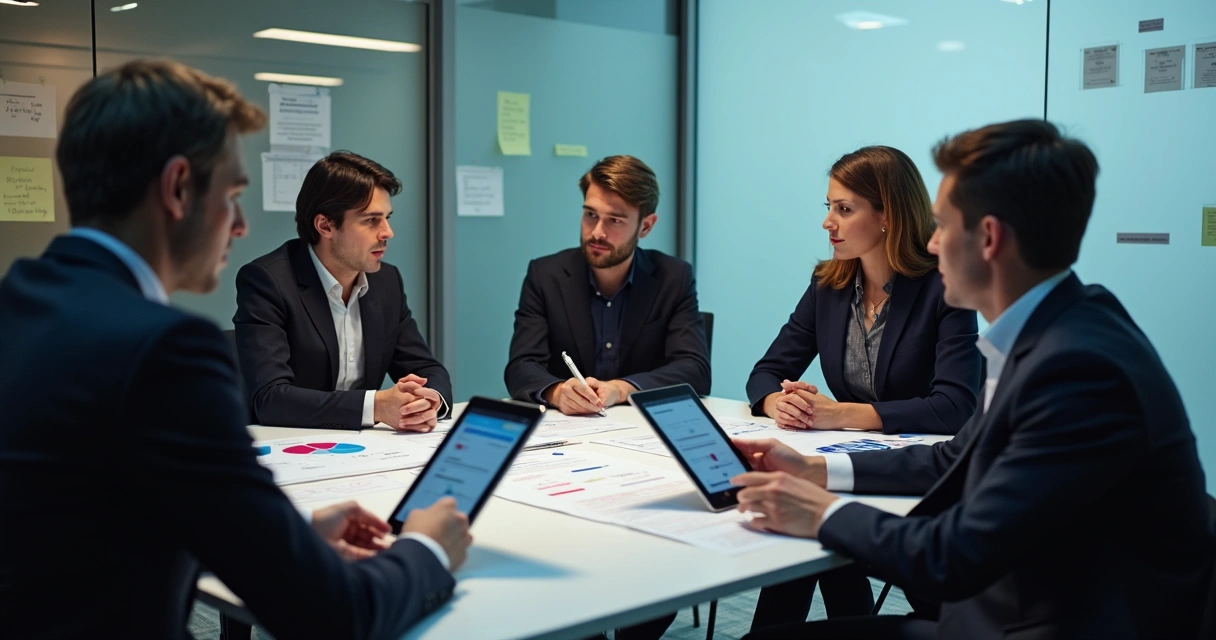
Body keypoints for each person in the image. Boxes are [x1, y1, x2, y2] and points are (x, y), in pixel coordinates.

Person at [0, 60, 471, 639]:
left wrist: (282, 535)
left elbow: (86, 529)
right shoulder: (164, 351)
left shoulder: (19, 302)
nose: (242, 224)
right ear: (177, 189)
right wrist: (426, 548)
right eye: (233, 195)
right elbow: (336, 613)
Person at [735, 120, 1214, 640]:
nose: (933, 242)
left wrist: (824, 515)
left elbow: (954, 556)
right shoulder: (1060, 329)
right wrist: (817, 470)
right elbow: (951, 457)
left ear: (988, 238)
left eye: (942, 224)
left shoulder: (1077, 370)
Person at [745, 146, 981, 627]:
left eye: (844, 209)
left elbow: (954, 407)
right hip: (849, 468)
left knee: (811, 520)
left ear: (888, 216)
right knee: (806, 524)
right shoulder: (828, 284)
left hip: (915, 482)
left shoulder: (943, 287)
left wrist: (840, 414)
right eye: (828, 207)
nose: (828, 223)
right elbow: (766, 371)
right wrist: (779, 403)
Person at [234, 151, 451, 431]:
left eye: (387, 217)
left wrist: (428, 400)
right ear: (325, 225)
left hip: (363, 451)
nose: (387, 232)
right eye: (371, 220)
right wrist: (377, 406)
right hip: (288, 447)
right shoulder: (268, 281)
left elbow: (427, 370)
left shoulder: (387, 281)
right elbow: (271, 398)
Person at [505, 155, 710, 415]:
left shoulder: (673, 277)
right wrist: (558, 393)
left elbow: (695, 368)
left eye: (615, 220)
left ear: (645, 226)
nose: (597, 232)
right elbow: (521, 365)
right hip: (569, 430)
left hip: (642, 429)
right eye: (591, 214)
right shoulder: (546, 275)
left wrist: (621, 388)